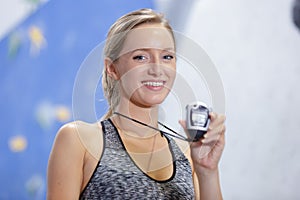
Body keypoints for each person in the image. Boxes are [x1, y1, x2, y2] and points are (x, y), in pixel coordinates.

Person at [47, 8, 226, 199]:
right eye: (141, 57)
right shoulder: (78, 140)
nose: (157, 69)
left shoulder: (188, 153)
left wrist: (208, 172)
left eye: (167, 57)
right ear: (112, 68)